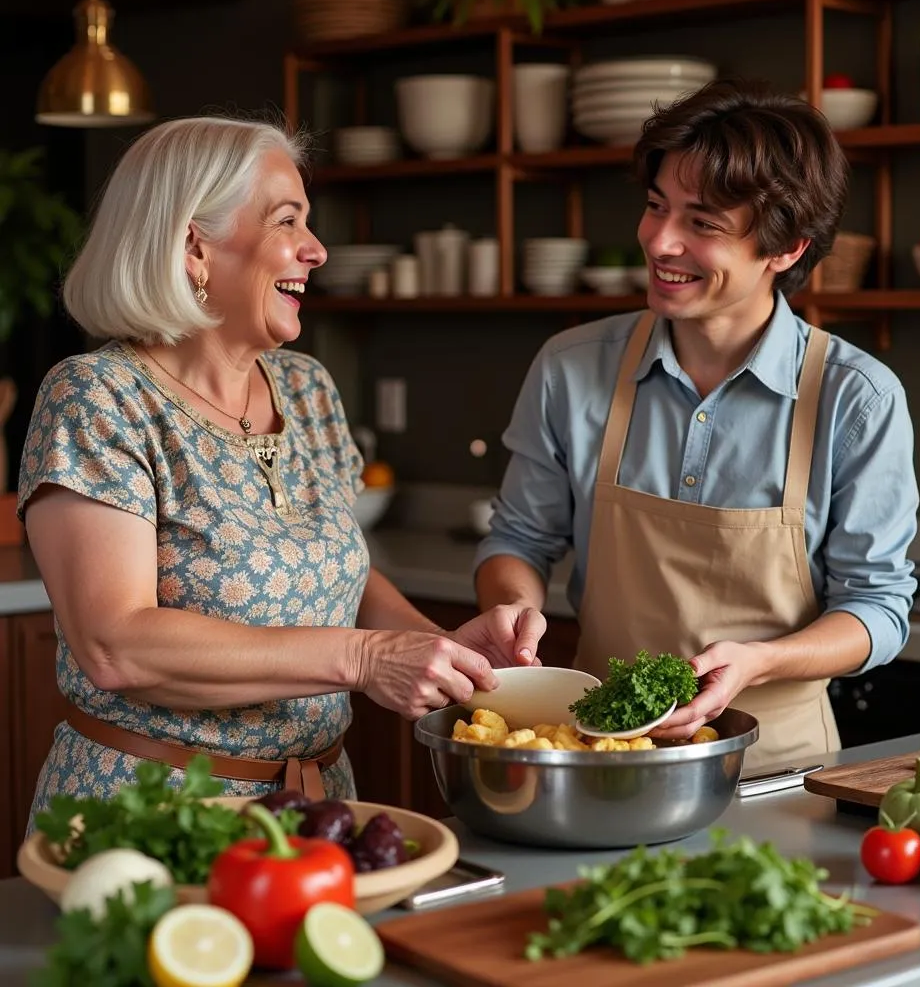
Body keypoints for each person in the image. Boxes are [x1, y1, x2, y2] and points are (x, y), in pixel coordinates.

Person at [18, 116, 544, 826]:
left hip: (319, 808)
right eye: (286, 221)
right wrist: (363, 660)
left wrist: (439, 649)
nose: (316, 249)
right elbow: (116, 644)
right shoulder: (97, 397)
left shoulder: (305, 388)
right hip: (155, 814)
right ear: (193, 246)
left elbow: (337, 570)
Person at [475, 78, 918, 771]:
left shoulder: (855, 398)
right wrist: (512, 608)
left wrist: (762, 661)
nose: (660, 240)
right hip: (604, 752)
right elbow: (518, 540)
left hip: (781, 769)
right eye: (656, 206)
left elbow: (878, 610)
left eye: (702, 224)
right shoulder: (572, 367)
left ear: (787, 249)